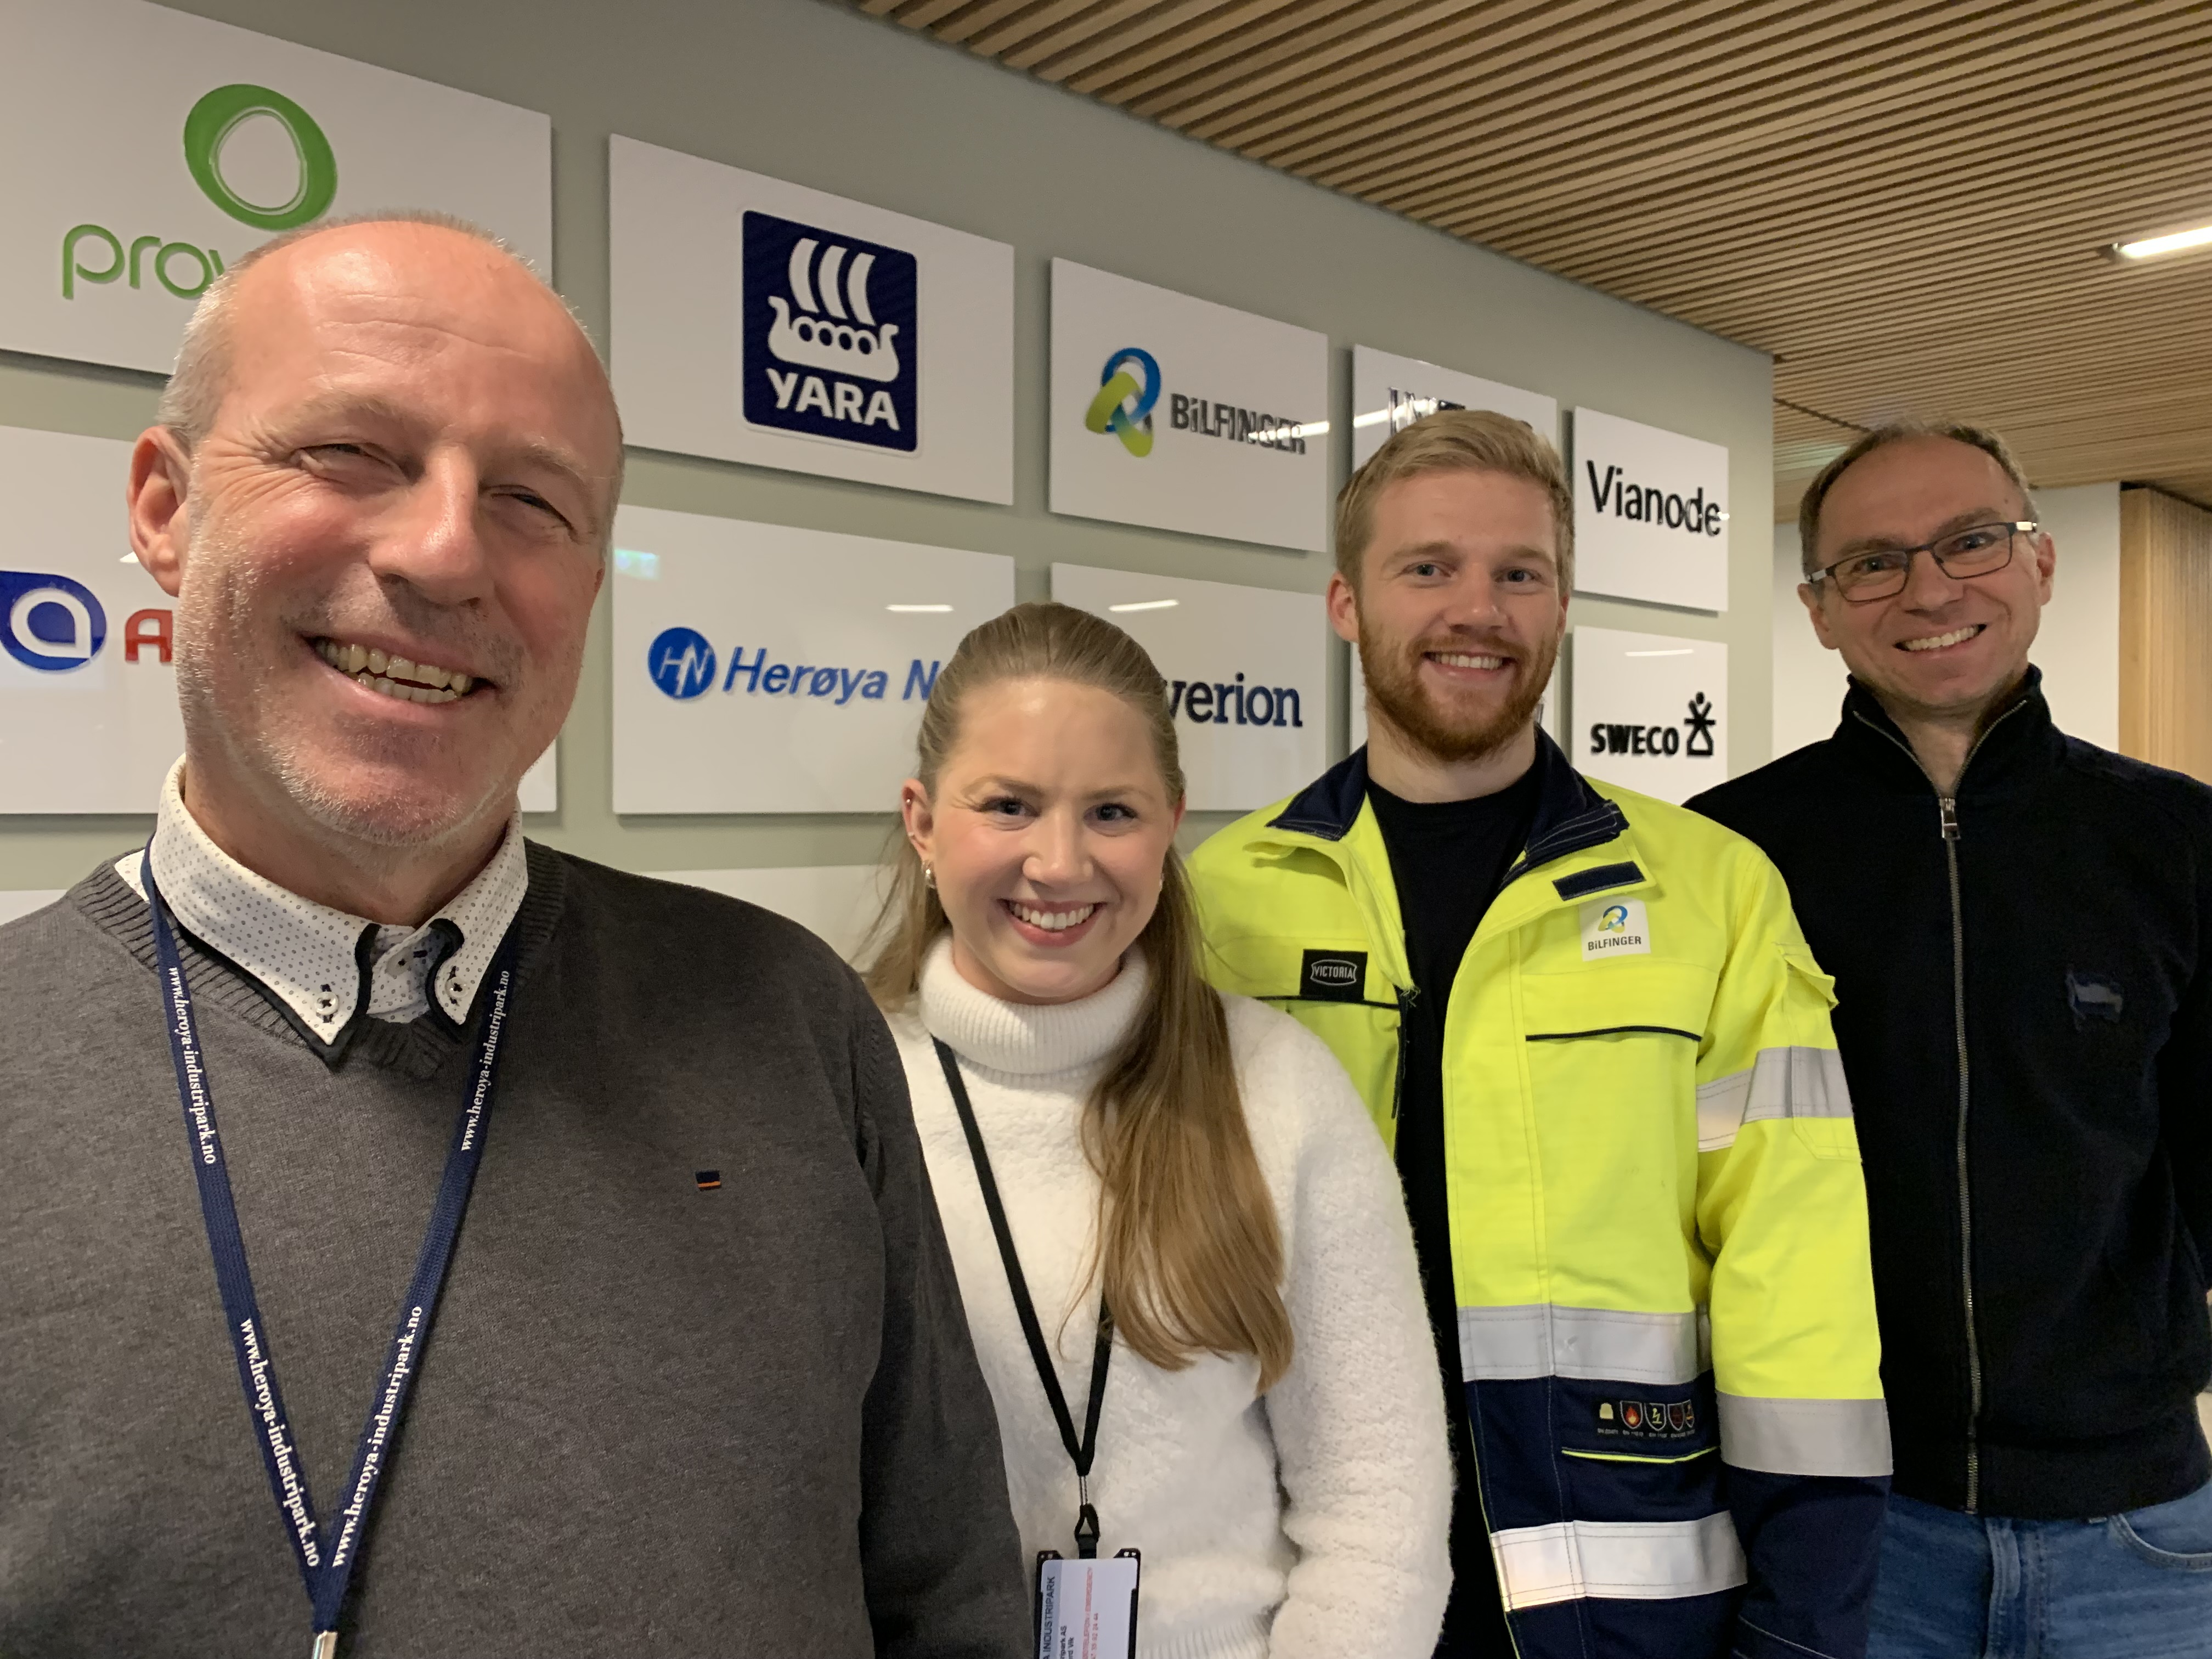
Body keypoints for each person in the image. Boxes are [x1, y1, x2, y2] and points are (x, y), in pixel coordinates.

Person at [0, 213, 1030, 1658]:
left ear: (594, 586)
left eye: (532, 501)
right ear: (166, 507)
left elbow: (950, 1592)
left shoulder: (788, 1021)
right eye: (351, 452)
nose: (443, 551)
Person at [1189, 410, 1892, 1659]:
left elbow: (1798, 1274)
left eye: (1521, 573)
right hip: (1305, 1581)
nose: (1479, 610)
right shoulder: (1221, 899)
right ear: (1347, 604)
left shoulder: (1711, 890)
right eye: (1429, 569)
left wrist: (1810, 1615)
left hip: (1626, 1598)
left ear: (1564, 603)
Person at [1690, 420, 2212, 1657]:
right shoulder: (1727, 859)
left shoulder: (2179, 845)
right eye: (1874, 562)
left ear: (2039, 565)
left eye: (1972, 541)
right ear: (1819, 609)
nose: (1930, 587)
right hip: (1849, 1534)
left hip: (2141, 1535)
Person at [861, 600, 1453, 1659]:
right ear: (921, 819)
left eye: (1112, 814)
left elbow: (1379, 1507)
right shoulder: (839, 1087)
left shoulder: (1278, 1090)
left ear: (1171, 821)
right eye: (1008, 805)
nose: (1059, 863)